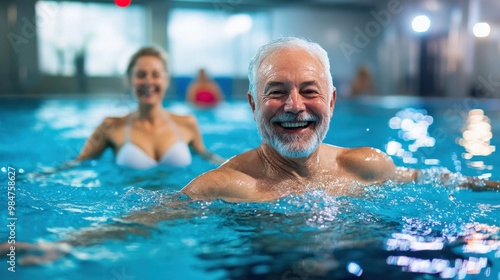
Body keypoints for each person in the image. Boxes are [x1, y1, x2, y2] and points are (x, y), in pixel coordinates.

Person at [3, 37, 499, 265]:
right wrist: (65, 245)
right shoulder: (225, 184)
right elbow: (149, 219)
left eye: (309, 91)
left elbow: (428, 180)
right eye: (276, 91)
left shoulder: (365, 164)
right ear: (251, 104)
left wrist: (488, 185)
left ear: (330, 100)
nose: (294, 107)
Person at [75, 47, 224, 169]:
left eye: (156, 74)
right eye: (141, 75)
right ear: (128, 80)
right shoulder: (110, 126)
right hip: (131, 206)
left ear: (166, 80)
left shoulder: (187, 123)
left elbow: (208, 158)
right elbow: (76, 165)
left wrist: (235, 165)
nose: (148, 81)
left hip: (182, 206)